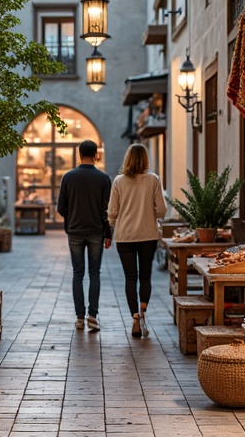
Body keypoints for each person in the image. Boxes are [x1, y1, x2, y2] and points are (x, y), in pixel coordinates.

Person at [108, 143, 166, 338]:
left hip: (125, 236)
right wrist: (150, 212)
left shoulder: (118, 181)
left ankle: (134, 318)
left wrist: (112, 223)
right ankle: (143, 311)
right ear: (145, 160)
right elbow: (162, 210)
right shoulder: (153, 180)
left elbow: (112, 212)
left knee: (130, 278)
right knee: (145, 276)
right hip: (147, 235)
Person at [56, 139, 113, 332]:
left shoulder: (68, 177)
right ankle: (92, 316)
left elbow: (60, 207)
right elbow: (108, 210)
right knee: (94, 273)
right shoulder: (104, 179)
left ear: (79, 155)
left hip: (75, 231)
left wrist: (72, 217)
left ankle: (79, 317)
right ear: (96, 155)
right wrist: (108, 233)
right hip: (96, 231)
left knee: (77, 274)